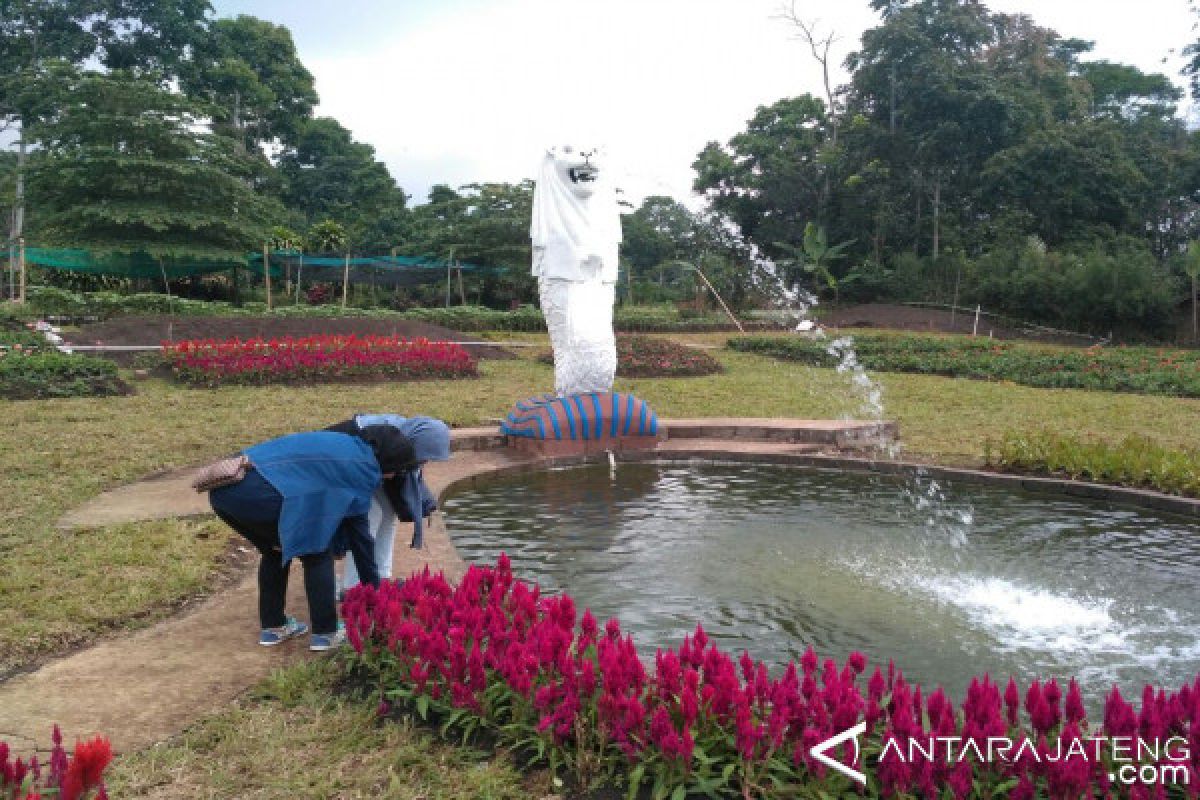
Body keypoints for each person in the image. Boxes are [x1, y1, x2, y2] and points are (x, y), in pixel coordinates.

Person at [208, 426, 413, 650]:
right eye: (398, 471)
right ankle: (326, 634)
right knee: (316, 552)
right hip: (261, 491)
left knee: (274, 551)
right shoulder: (365, 469)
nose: (394, 476)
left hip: (224, 491)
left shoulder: (347, 445)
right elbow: (361, 538)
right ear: (389, 462)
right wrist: (375, 592)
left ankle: (274, 627)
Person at [324, 414, 451, 591]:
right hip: (343, 465)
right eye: (423, 457)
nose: (424, 462)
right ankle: (355, 586)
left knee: (388, 511)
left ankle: (381, 576)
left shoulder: (404, 438)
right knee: (369, 516)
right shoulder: (380, 438)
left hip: (375, 464)